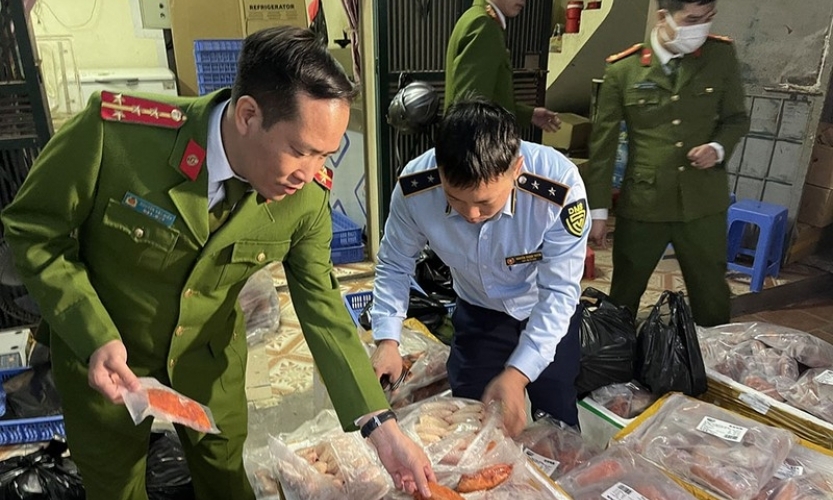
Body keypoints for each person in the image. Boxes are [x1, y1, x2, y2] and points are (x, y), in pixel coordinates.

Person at [1, 26, 436, 500]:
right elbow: (34, 228)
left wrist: (383, 431)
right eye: (300, 150)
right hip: (106, 368)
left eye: (325, 156)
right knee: (116, 488)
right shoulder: (117, 136)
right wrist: (93, 334)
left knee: (227, 483)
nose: (310, 173)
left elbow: (324, 310)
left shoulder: (306, 197)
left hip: (209, 367)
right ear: (248, 114)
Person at [370, 97, 589, 436]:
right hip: (478, 313)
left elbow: (559, 293)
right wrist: (387, 339)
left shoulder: (558, 188)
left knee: (556, 418)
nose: (471, 214)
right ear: (440, 171)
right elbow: (395, 264)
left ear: (516, 170)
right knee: (468, 423)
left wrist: (518, 374)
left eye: (485, 202)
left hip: (544, 313)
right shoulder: (416, 189)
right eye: (454, 199)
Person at [584, 0, 750, 327]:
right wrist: (598, 212)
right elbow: (601, 146)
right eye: (692, 19)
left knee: (712, 298)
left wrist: (716, 149)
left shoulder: (720, 56)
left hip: (703, 203)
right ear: (663, 17)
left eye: (708, 18)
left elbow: (736, 119)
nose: (702, 28)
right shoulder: (623, 69)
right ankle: (614, 361)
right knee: (624, 296)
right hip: (644, 203)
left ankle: (714, 370)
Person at [444, 0, 561, 132]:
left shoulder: (478, 19)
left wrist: (528, 114)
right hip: (478, 145)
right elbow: (468, 110)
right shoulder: (484, 26)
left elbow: (488, 98)